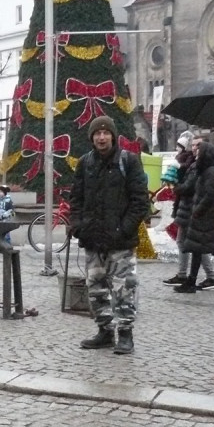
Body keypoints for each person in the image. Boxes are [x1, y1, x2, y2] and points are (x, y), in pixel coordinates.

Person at [68, 115, 149, 355]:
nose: (101, 137)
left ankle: (125, 334)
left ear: (113, 136)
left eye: (106, 133)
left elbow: (140, 201)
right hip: (93, 239)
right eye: (97, 133)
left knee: (124, 289)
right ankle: (104, 331)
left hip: (120, 241)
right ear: (92, 137)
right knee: (96, 289)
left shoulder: (129, 161)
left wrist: (123, 229)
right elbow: (76, 198)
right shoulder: (85, 163)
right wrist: (78, 224)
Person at [173, 141, 214, 295]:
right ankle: (191, 281)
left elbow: (210, 195)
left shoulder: (212, 172)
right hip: (202, 214)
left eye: (199, 151)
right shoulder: (204, 169)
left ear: (206, 154)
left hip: (207, 216)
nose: (196, 154)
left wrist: (198, 210)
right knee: (197, 248)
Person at [163, 132, 214, 288]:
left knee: (193, 244)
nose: (194, 148)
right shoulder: (192, 162)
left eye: (197, 145)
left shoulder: (199, 165)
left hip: (192, 208)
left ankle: (204, 276)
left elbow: (191, 186)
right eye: (192, 145)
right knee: (193, 244)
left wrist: (177, 187)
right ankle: (207, 276)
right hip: (187, 207)